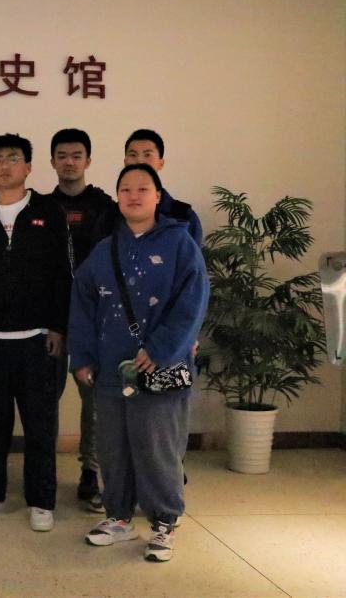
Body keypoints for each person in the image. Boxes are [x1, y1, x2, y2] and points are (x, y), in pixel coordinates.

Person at [69, 163, 208, 563]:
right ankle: (118, 517)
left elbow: (192, 303)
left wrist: (161, 349)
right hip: (111, 369)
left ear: (158, 196)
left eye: (142, 189)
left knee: (157, 447)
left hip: (160, 369)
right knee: (113, 448)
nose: (133, 196)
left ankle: (164, 522)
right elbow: (82, 304)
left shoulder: (180, 244)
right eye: (125, 189)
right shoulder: (105, 249)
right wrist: (82, 357)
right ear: (117, 198)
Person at [0, 134, 71, 532]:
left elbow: (62, 275)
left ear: (28, 167)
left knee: (40, 426)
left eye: (13, 158)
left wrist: (57, 326)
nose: (4, 165)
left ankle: (41, 500)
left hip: (37, 339)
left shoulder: (48, 213)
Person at [46, 127, 117, 513]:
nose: (69, 162)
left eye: (76, 155)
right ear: (52, 161)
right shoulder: (40, 207)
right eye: (62, 155)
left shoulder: (106, 206)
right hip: (52, 317)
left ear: (88, 160)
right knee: (46, 396)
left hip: (96, 318)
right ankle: (43, 472)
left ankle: (92, 471)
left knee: (95, 399)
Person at [123, 129, 202, 246]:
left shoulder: (184, 216)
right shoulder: (113, 214)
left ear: (161, 163)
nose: (139, 160)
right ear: (125, 162)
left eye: (147, 155)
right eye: (133, 155)